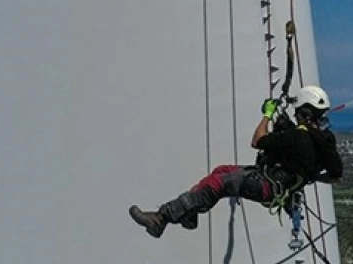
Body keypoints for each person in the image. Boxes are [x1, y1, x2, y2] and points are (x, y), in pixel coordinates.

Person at [129, 85, 342, 238]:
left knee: (219, 183)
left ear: (304, 110)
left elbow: (257, 140)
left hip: (268, 185)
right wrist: (309, 176)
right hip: (277, 185)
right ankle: (190, 213)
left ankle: (161, 218)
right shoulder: (325, 141)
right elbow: (335, 176)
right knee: (221, 171)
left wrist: (267, 115)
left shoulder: (297, 137)